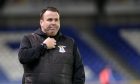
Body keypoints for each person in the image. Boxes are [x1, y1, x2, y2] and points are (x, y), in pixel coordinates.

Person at [18, 7, 85, 84]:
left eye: (56, 20)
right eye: (50, 20)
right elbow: (23, 57)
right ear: (41, 22)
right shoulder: (29, 39)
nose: (53, 22)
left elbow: (79, 72)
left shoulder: (70, 42)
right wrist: (43, 46)